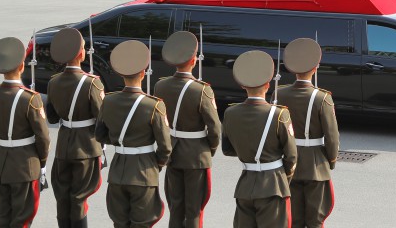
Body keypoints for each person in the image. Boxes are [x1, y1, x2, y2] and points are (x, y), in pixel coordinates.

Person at [95, 40, 172, 228]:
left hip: (117, 172)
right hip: (144, 172)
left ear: (121, 74)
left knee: (120, 223)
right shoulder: (153, 105)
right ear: (143, 73)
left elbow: (100, 134)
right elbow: (165, 147)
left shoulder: (109, 101)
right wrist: (157, 164)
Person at [0, 37, 50, 228]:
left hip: (1, 164)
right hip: (25, 167)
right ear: (21, 66)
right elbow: (43, 138)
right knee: (22, 219)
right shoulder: (30, 98)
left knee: (2, 219)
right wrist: (42, 163)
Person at [222, 50, 297, 228]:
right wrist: (281, 178)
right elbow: (291, 156)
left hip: (245, 185)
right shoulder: (279, 114)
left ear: (242, 85)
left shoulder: (230, 113)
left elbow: (227, 149)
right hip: (273, 186)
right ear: (268, 85)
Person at [154, 31, 222, 228]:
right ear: (194, 60)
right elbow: (215, 128)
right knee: (194, 210)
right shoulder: (201, 90)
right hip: (196, 155)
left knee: (176, 208)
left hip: (172, 152)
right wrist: (209, 149)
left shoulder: (160, 86)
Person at [45, 28, 105, 228]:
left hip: (64, 145)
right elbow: (101, 118)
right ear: (81, 54)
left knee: (62, 197)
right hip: (86, 147)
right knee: (79, 198)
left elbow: (52, 116)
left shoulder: (54, 82)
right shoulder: (92, 83)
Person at [278, 39, 340, 228]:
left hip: (288, 162)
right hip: (315, 165)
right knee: (315, 219)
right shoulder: (322, 98)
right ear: (316, 67)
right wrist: (331, 160)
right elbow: (332, 136)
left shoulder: (278, 94)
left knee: (294, 219)